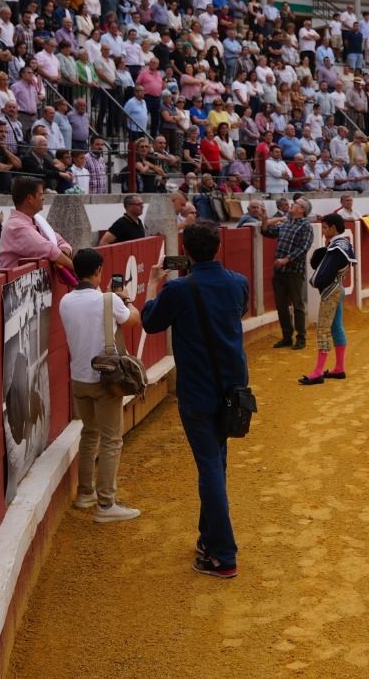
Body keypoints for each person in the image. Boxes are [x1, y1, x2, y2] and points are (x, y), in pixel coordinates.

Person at [142, 221, 249, 578]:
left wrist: (153, 285)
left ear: (185, 250)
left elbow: (150, 323)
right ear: (218, 247)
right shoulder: (238, 282)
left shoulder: (178, 291)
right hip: (233, 391)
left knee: (210, 469)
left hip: (198, 393)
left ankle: (223, 554)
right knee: (216, 464)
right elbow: (239, 313)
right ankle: (209, 539)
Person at [63, 246, 161, 524]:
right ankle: (106, 504)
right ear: (98, 271)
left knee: (89, 433)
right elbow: (134, 320)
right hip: (105, 380)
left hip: (79, 378)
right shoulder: (109, 300)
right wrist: (125, 300)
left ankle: (85, 494)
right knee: (111, 440)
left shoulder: (66, 301)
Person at [299, 213, 356, 385]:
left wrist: (316, 280)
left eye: (324, 227)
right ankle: (339, 368)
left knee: (323, 329)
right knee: (336, 327)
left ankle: (317, 372)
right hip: (339, 288)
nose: (323, 231)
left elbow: (324, 273)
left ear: (333, 227)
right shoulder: (343, 243)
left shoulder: (335, 248)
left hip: (331, 292)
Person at [0, 175, 75, 272]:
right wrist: (77, 270)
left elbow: (61, 242)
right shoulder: (16, 226)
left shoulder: (37, 220)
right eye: (41, 194)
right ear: (30, 198)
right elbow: (49, 250)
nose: (43, 198)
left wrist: (62, 253)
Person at [263, 199, 313, 349]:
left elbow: (304, 247)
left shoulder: (306, 226)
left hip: (294, 270)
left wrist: (285, 259)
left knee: (297, 305)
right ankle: (287, 336)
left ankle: (301, 338)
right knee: (281, 305)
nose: (292, 204)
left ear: (302, 210)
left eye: (296, 203)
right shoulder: (286, 223)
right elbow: (267, 232)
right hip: (280, 270)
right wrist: (264, 218)